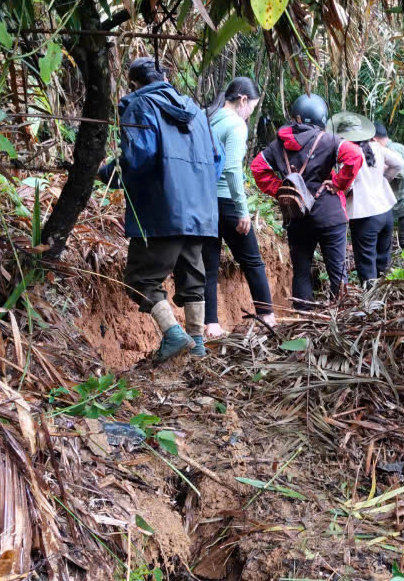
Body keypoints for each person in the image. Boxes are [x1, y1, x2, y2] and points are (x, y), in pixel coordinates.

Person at [98, 57, 219, 361]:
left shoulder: (140, 106)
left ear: (134, 84)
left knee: (141, 280)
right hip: (200, 213)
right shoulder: (197, 112)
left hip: (161, 211)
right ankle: (197, 344)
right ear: (165, 77)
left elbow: (139, 157)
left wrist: (106, 173)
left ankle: (174, 335)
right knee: (193, 278)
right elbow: (216, 158)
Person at [250, 93, 363, 310]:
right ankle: (339, 320)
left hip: (297, 216)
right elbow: (355, 155)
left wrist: (280, 190)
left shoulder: (278, 145)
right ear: (321, 118)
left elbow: (257, 168)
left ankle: (303, 320)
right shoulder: (328, 140)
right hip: (329, 215)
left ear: (296, 117)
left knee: (301, 272)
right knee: (337, 270)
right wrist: (339, 183)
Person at [203, 76, 276, 336]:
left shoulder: (207, 117)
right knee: (253, 261)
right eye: (252, 108)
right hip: (227, 202)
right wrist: (242, 210)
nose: (250, 114)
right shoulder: (235, 124)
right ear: (243, 99)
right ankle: (267, 316)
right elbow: (233, 169)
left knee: (208, 263)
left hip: (204, 201)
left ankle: (210, 324)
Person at [329, 112, 404, 283]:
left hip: (365, 216)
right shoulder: (377, 147)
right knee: (383, 260)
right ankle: (384, 299)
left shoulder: (349, 153)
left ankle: (371, 304)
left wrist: (341, 190)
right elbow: (399, 163)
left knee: (366, 262)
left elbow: (349, 182)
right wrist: (383, 179)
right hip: (386, 212)